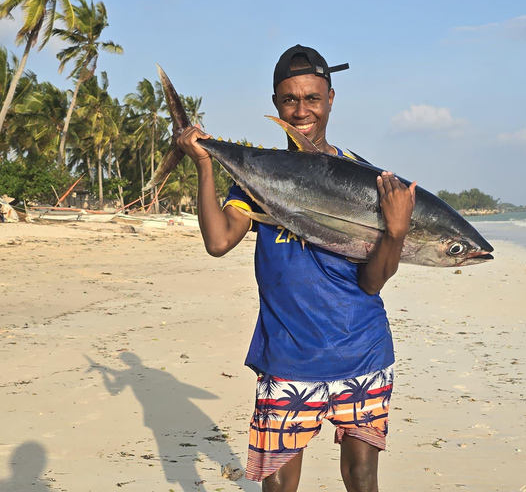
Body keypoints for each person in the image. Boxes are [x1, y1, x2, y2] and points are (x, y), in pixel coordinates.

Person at [177, 45, 416, 491]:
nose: (302, 110)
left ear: (330, 98)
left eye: (312, 98)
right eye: (290, 99)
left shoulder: (364, 181)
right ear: (276, 105)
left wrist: (397, 234)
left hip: (362, 350)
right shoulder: (255, 176)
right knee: (279, 487)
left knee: (362, 478)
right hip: (286, 357)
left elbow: (372, 281)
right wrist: (205, 165)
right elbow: (218, 241)